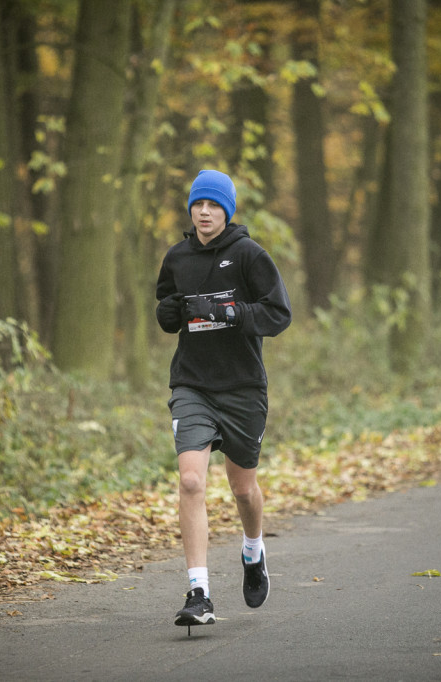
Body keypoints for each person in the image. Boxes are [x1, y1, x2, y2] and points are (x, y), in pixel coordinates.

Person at [155, 169, 292, 629]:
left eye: (214, 205)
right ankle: (199, 592)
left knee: (242, 488)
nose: (205, 212)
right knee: (192, 481)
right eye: (198, 205)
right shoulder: (177, 257)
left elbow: (278, 313)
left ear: (226, 211)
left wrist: (229, 311)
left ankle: (253, 551)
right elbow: (166, 311)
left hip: (242, 388)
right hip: (192, 384)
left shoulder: (249, 255)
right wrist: (168, 312)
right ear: (191, 209)